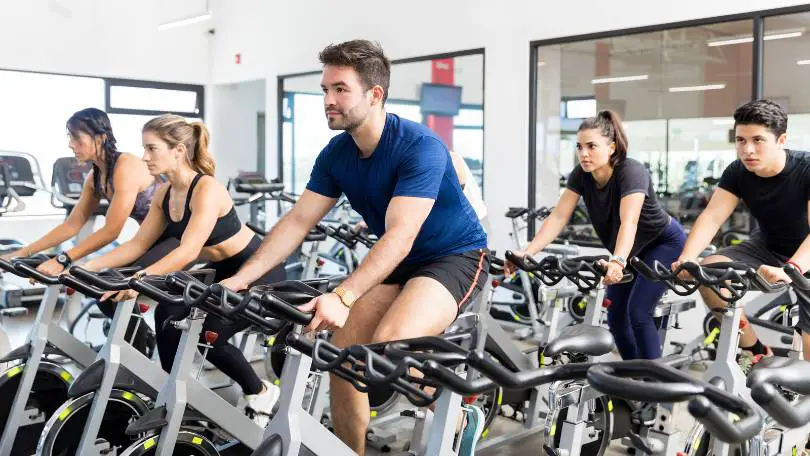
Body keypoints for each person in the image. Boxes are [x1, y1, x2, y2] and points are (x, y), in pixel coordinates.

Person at [219, 40, 489, 455]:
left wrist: (343, 295)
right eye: (325, 89)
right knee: (343, 357)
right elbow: (298, 221)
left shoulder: (420, 146)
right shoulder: (337, 153)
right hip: (398, 257)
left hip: (452, 255)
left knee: (393, 344)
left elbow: (400, 235)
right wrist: (241, 278)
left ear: (374, 94)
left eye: (340, 89)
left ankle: (456, 411)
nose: (328, 100)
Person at [80, 114, 285, 427]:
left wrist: (139, 281)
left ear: (178, 150)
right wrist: (84, 266)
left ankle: (259, 391)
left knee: (209, 334)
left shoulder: (206, 189)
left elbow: (188, 251)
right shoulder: (165, 192)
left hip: (258, 269)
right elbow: (138, 244)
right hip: (221, 269)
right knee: (168, 312)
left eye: (152, 149)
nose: (144, 157)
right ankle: (173, 392)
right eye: (143, 149)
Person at [505, 110, 686, 361]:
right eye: (579, 147)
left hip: (662, 244)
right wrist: (527, 253)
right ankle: (634, 377)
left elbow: (629, 221)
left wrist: (618, 261)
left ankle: (655, 384)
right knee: (615, 317)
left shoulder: (631, 171)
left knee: (638, 312)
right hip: (630, 251)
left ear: (611, 147)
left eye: (591, 146)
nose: (584, 153)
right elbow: (559, 216)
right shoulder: (581, 175)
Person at [2, 108, 160, 355]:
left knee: (108, 286)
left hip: (175, 242)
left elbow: (112, 231)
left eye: (76, 138)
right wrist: (22, 252)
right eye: (69, 137)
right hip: (147, 242)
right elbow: (71, 225)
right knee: (104, 292)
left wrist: (63, 259)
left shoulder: (126, 165)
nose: (71, 144)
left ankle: (135, 358)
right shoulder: (95, 176)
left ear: (101, 137)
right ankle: (136, 348)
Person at [672, 99, 810, 368]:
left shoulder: (806, 170)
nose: (748, 149)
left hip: (805, 255)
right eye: (741, 140)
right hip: (768, 246)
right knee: (707, 271)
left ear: (781, 139)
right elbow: (712, 217)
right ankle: (756, 351)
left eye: (758, 140)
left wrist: (792, 267)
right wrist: (687, 258)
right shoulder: (737, 171)